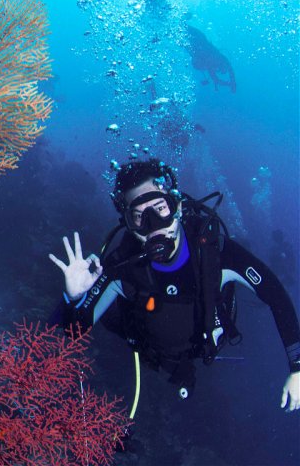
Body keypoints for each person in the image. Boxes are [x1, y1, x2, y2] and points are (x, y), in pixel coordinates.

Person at [49, 158, 300, 411]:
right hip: (151, 349)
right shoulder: (121, 265)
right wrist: (74, 297)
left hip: (205, 343)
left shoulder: (214, 252)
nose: (154, 226)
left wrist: (297, 367)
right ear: (128, 224)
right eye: (139, 216)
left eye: (160, 208)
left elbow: (275, 294)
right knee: (105, 314)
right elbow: (74, 331)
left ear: (177, 206)